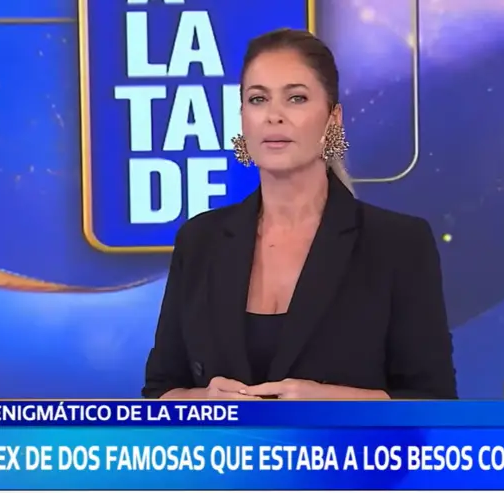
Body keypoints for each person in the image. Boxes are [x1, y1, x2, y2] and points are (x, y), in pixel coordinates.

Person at [142, 28, 457, 400]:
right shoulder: (200, 240)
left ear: (333, 119)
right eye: (258, 99)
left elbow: (433, 402)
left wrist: (329, 402)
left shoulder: (397, 243)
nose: (274, 116)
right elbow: (160, 392)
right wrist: (206, 401)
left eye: (296, 98)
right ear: (242, 118)